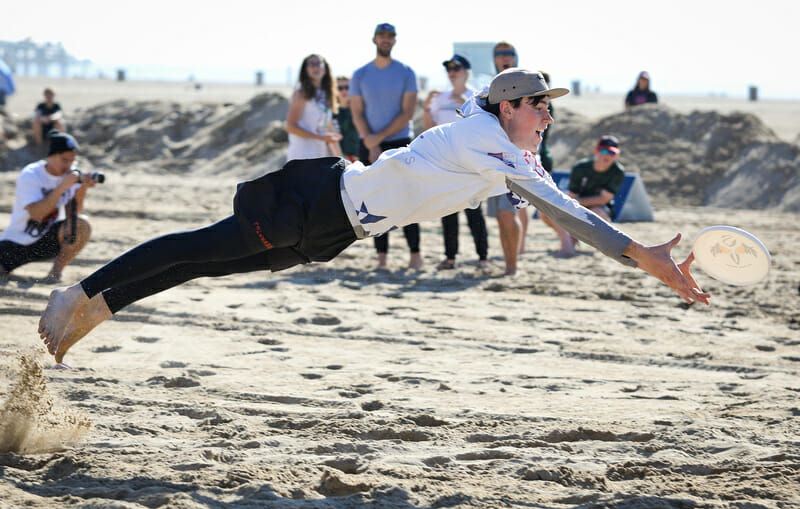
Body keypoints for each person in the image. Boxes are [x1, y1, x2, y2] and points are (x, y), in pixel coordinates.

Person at [38, 68, 710, 367]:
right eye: (539, 104)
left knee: (207, 266)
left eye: (549, 106)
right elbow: (567, 210)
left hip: (341, 227)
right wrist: (642, 255)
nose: (549, 115)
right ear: (508, 107)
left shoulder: (509, 150)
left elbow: (558, 203)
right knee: (201, 245)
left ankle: (98, 307)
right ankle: (79, 292)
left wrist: (642, 254)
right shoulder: (486, 139)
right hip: (317, 198)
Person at [349, 22, 421, 270]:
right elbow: (357, 112)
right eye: (382, 35)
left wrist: (377, 139)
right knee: (376, 203)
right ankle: (381, 259)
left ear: (394, 40)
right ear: (374, 39)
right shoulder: (360, 75)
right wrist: (370, 141)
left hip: (399, 142)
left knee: (407, 199)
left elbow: (408, 112)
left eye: (390, 36)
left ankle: (415, 255)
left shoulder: (406, 72)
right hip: (368, 142)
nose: (386, 39)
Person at [1, 132, 96, 284]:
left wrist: (82, 188)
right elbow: (36, 214)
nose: (69, 166)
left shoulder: (71, 174)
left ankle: (54, 275)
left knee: (82, 224)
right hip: (16, 242)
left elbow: (74, 214)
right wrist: (61, 187)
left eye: (72, 161)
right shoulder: (31, 174)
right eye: (64, 160)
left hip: (47, 241)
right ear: (51, 156)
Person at [423, 54, 488, 271]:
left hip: (469, 164)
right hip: (445, 162)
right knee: (448, 212)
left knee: (474, 213)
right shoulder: (440, 98)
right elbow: (428, 127)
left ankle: (482, 258)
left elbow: (485, 127)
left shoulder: (476, 97)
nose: (452, 74)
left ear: (466, 73)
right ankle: (450, 258)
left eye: (456, 70)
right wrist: (426, 107)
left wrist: (465, 105)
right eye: (449, 70)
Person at [540, 135, 625, 258]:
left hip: (600, 210)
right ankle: (567, 244)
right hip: (578, 206)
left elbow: (603, 199)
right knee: (546, 211)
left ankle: (599, 244)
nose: (607, 155)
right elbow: (573, 195)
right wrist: (573, 203)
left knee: (596, 211)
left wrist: (575, 202)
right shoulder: (581, 167)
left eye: (612, 152)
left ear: (617, 155)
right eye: (604, 151)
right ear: (596, 151)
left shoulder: (618, 171)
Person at [485, 41, 529, 275]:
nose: (504, 57)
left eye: (509, 52)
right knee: (501, 218)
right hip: (493, 159)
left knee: (507, 212)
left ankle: (512, 267)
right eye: (500, 53)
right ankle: (508, 264)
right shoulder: (489, 89)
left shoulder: (527, 86)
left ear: (516, 57)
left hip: (517, 158)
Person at [285, 54, 342, 161]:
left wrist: (340, 159)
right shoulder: (301, 93)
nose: (316, 67)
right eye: (311, 64)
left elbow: (329, 128)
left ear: (325, 68)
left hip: (320, 154)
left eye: (319, 64)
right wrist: (320, 137)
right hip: (301, 155)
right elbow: (290, 127)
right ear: (305, 69)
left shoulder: (327, 93)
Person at [332, 76, 360, 162]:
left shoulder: (360, 110)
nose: (344, 91)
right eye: (340, 88)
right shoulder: (331, 113)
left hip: (361, 157)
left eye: (347, 87)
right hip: (340, 158)